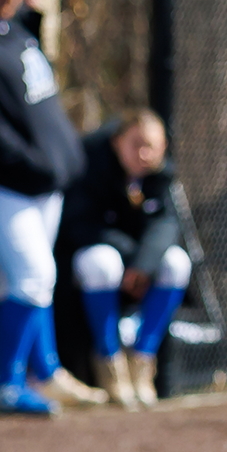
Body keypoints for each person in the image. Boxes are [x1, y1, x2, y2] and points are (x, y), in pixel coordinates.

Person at [0, 0, 103, 414]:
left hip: (45, 185)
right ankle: (7, 383)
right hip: (10, 185)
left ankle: (43, 371)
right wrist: (35, 163)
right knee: (34, 276)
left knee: (22, 282)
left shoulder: (17, 31)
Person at [60, 108, 189, 409]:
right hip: (89, 260)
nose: (144, 154)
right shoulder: (90, 162)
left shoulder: (161, 173)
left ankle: (142, 363)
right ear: (117, 142)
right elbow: (80, 225)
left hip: (136, 263)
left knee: (177, 262)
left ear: (163, 147)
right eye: (136, 144)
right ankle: (109, 364)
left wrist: (144, 265)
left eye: (151, 146)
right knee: (103, 262)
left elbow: (167, 224)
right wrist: (133, 259)